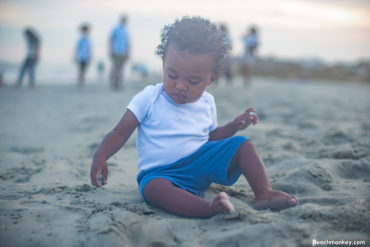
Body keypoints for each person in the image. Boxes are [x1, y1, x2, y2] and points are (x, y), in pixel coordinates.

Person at [90, 16, 297, 218]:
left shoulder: (207, 103)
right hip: (163, 174)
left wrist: (234, 126)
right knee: (152, 188)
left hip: (200, 164)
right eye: (172, 75)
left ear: (211, 78)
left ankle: (264, 193)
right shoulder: (149, 98)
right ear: (164, 63)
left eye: (194, 80)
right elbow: (119, 133)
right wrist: (101, 155)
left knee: (244, 145)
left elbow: (210, 138)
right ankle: (207, 208)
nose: (181, 85)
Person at [109, 15, 130, 90]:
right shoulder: (116, 29)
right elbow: (111, 39)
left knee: (120, 68)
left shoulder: (125, 30)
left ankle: (118, 83)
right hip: (117, 51)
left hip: (123, 51)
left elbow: (127, 42)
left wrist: (128, 52)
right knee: (117, 68)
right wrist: (111, 50)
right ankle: (115, 83)